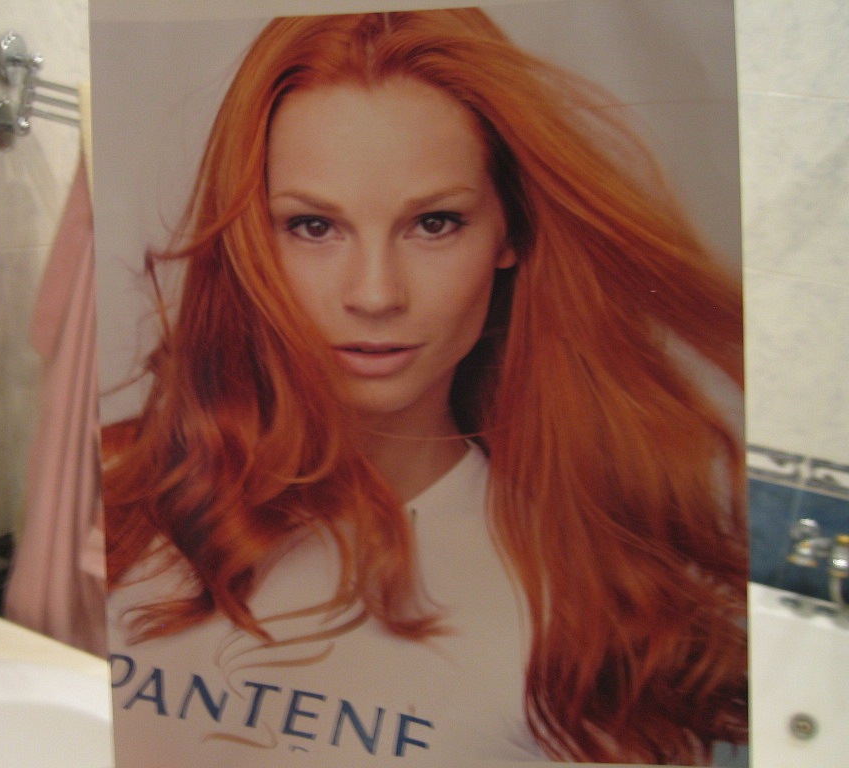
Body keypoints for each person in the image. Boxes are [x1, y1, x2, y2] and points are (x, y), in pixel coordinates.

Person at [101, 8, 748, 766]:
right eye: (313, 227)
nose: (375, 294)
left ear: (510, 232)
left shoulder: (593, 611)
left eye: (434, 223)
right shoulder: (119, 498)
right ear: (248, 241)